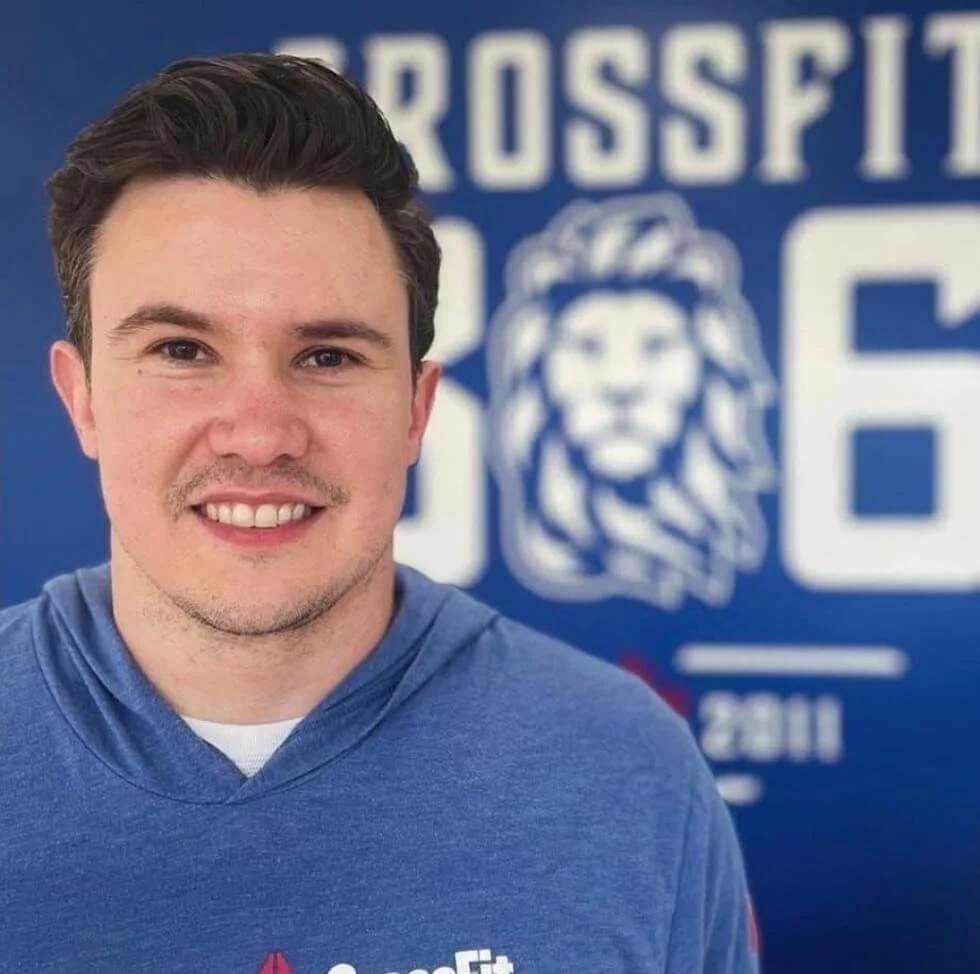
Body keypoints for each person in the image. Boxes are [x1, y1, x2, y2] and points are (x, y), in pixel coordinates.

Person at [0, 53, 760, 972]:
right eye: (182, 348)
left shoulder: (632, 772)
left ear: (416, 411)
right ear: (81, 399)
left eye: (326, 357)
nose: (258, 434)